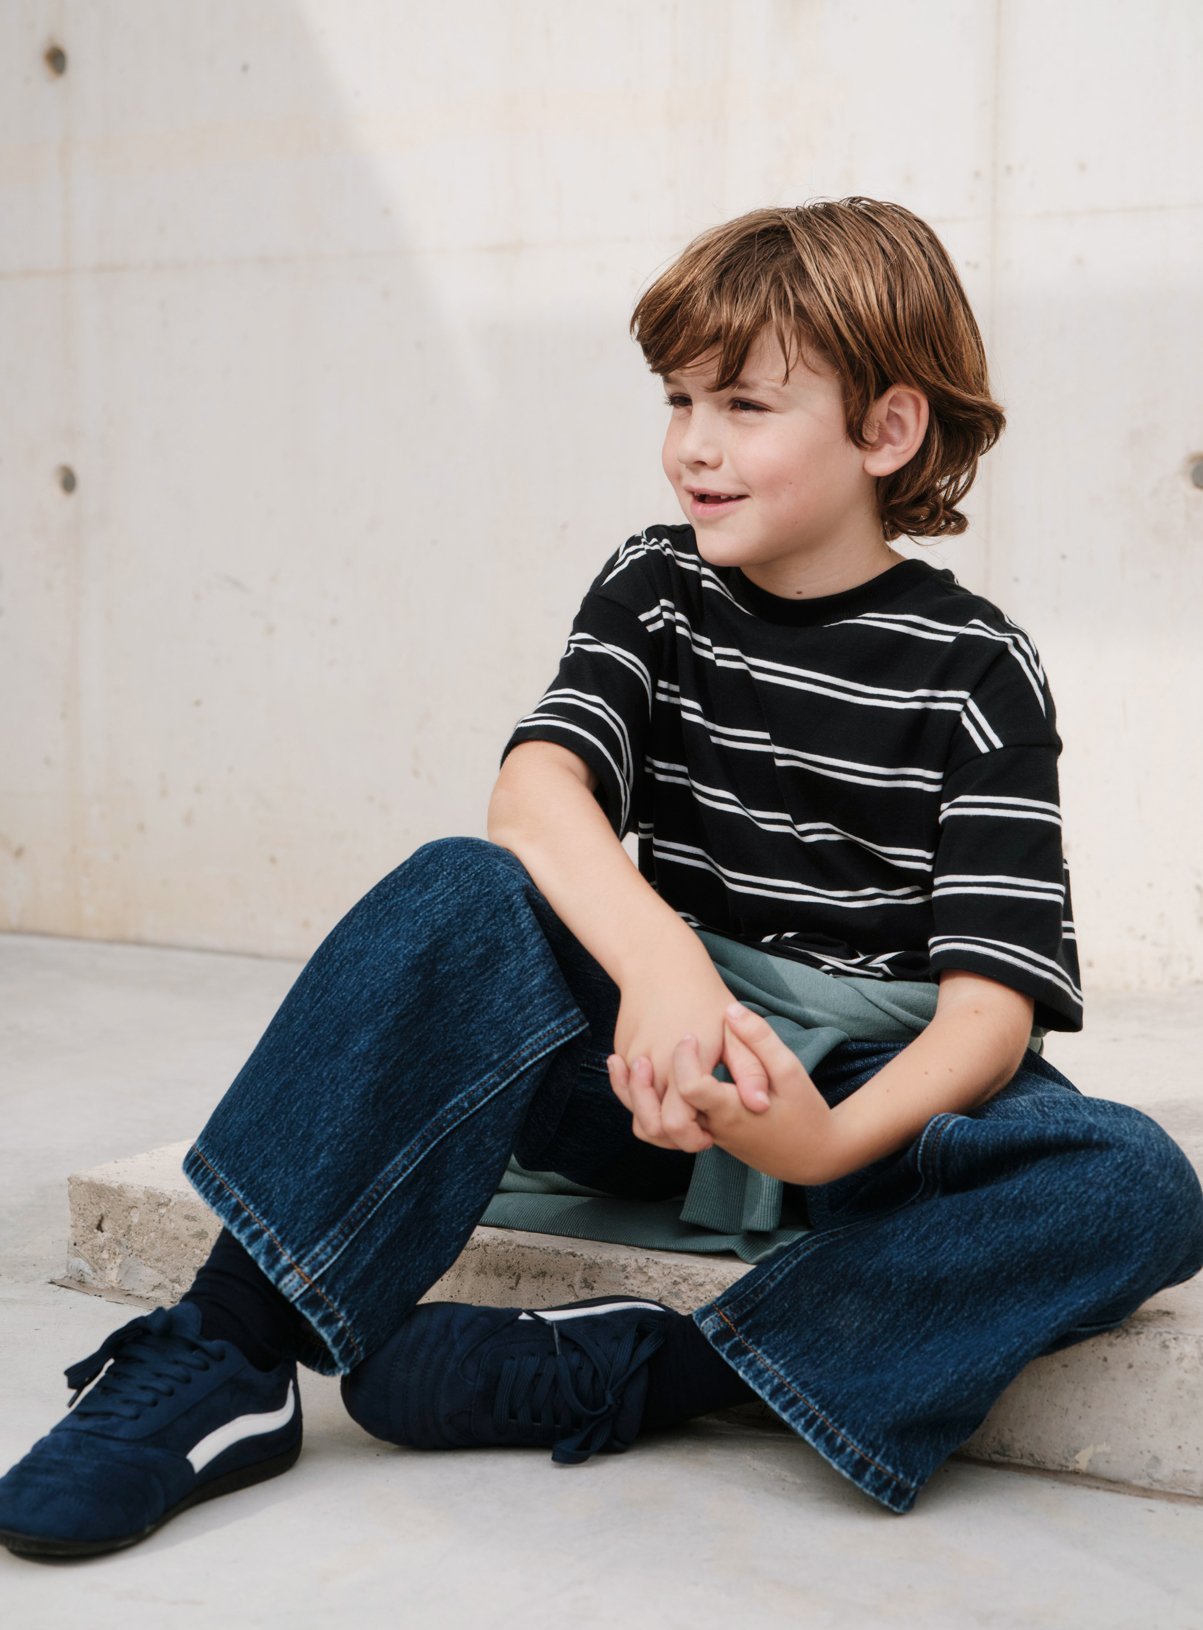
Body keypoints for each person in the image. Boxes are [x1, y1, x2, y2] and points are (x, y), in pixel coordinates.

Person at [2, 198, 1201, 1559]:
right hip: (654, 1072)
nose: (695, 443)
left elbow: (988, 1015)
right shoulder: (658, 585)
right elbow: (536, 793)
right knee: (461, 890)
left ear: (887, 430)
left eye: (745, 404)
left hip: (862, 1109)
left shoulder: (978, 669)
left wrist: (818, 1141)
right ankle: (229, 1349)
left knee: (1133, 1185)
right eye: (680, 398)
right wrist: (663, 968)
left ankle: (653, 1368)